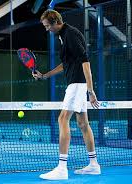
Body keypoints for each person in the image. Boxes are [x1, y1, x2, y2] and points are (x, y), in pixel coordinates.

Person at [33, 9, 101, 180]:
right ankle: (94, 165)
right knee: (83, 124)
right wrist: (44, 75)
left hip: (78, 83)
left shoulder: (70, 34)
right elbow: (66, 63)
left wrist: (90, 92)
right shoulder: (63, 36)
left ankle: (62, 168)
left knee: (63, 119)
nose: (47, 29)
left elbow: (85, 62)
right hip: (77, 83)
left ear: (56, 21)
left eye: (48, 26)